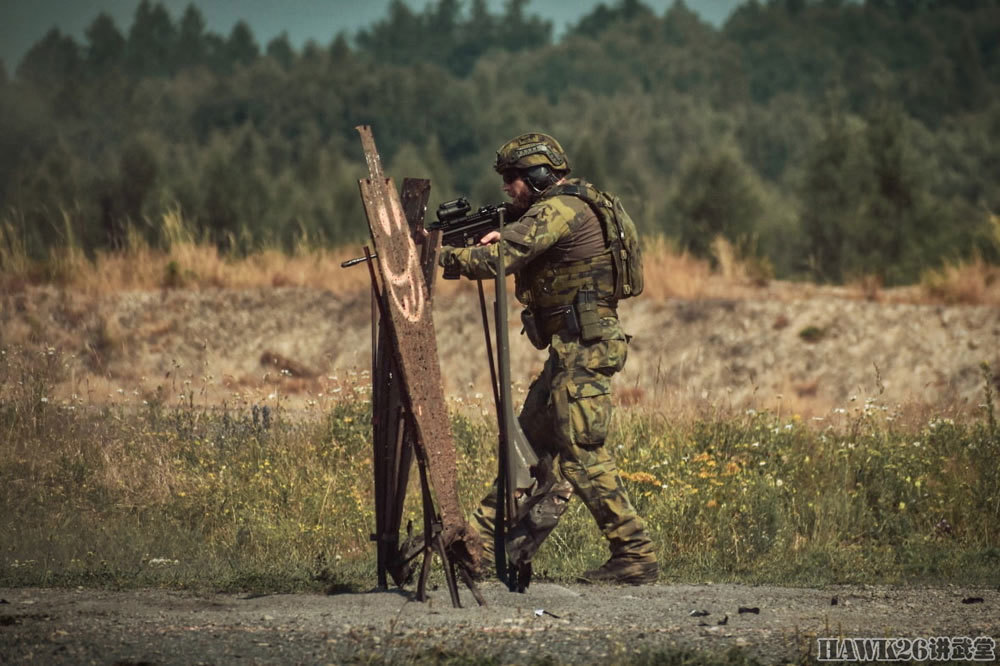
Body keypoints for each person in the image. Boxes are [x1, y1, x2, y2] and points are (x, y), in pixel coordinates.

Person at [438, 132, 658, 585]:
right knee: (525, 450)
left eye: (513, 178)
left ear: (539, 175)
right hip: (571, 350)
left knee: (580, 453)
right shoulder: (571, 204)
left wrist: (437, 254)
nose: (506, 188)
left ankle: (634, 554)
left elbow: (498, 260)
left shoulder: (559, 209)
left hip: (585, 347)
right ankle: (477, 547)